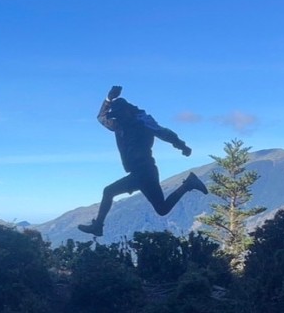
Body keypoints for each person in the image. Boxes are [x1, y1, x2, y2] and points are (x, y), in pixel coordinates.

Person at [78, 85, 208, 237]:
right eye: (116, 115)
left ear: (128, 110)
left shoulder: (143, 123)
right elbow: (101, 118)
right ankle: (189, 184)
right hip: (143, 171)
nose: (117, 117)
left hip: (144, 171)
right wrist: (108, 99)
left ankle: (98, 226)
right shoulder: (120, 124)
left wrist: (181, 146)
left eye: (120, 114)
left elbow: (165, 133)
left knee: (109, 191)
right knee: (162, 209)